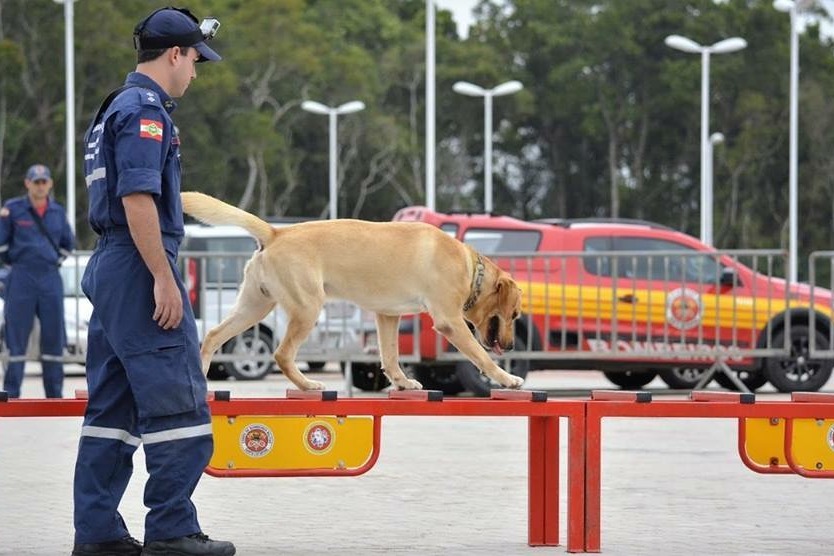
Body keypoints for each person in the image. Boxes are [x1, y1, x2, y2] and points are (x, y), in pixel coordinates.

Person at [72, 7, 235, 556]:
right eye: (195, 60)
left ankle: (97, 534)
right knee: (178, 405)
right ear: (174, 55)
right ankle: (172, 530)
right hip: (140, 265)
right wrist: (163, 278)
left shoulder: (112, 108)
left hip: (114, 266)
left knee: (112, 412)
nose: (195, 71)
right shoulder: (145, 110)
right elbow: (137, 197)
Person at [0, 163, 74, 398]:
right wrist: (12, 265)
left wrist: (53, 262)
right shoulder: (12, 209)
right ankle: (11, 394)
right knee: (16, 337)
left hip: (50, 277)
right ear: (27, 183)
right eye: (36, 181)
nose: (40, 186)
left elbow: (68, 244)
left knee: (53, 337)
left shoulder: (58, 212)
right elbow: (2, 244)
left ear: (50, 184)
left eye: (44, 182)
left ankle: (54, 395)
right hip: (21, 277)